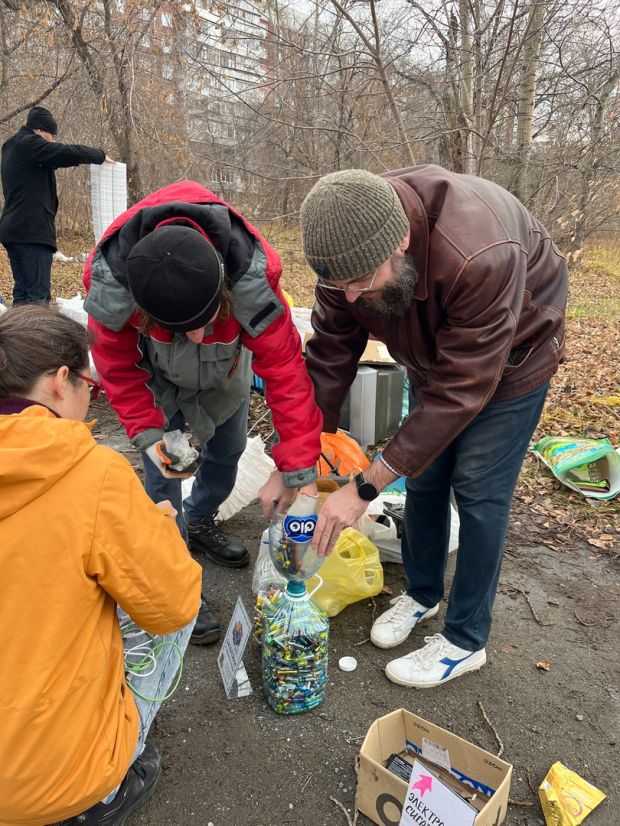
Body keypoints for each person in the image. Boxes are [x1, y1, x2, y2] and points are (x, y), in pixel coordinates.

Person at [299, 166, 568, 688]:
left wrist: (363, 487)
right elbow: (330, 352)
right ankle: (421, 594)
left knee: (478, 490)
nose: (350, 297)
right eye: (338, 285)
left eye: (360, 282)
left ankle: (466, 640)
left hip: (515, 357)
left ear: (401, 242)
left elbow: (459, 391)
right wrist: (297, 457)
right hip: (433, 357)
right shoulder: (348, 248)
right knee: (423, 476)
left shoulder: (479, 254)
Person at [83, 180, 323, 640]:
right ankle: (175, 576)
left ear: (223, 287)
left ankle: (199, 517)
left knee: (228, 451)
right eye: (182, 328)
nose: (195, 336)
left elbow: (286, 371)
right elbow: (115, 367)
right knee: (162, 476)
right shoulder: (113, 284)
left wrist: (298, 468)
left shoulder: (251, 278)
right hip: (159, 379)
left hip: (226, 371)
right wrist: (149, 434)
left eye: (205, 321)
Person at [0, 306, 202, 826]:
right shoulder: (94, 474)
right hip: (39, 785)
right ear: (60, 381)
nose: (91, 399)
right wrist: (156, 533)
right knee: (176, 591)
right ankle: (104, 791)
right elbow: (173, 604)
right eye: (91, 386)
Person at [0, 105, 114, 305]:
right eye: (51, 135)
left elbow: (49, 161)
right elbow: (64, 152)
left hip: (13, 230)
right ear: (39, 130)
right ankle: (36, 327)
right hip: (31, 231)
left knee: (22, 293)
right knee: (38, 297)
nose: (52, 140)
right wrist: (99, 155)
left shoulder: (11, 147)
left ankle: (18, 326)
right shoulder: (30, 144)